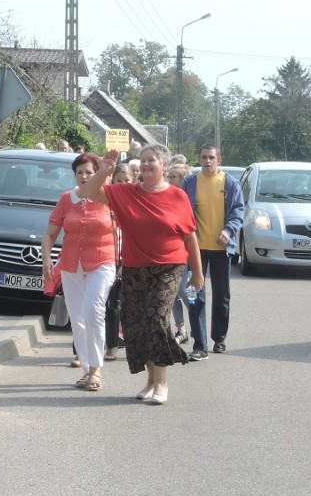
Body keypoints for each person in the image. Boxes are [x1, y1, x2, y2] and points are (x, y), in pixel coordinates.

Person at [79, 145, 203, 405]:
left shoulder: (178, 197)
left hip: (169, 267)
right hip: (135, 268)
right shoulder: (126, 193)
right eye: (143, 161)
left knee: (156, 320)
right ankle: (149, 380)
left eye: (152, 161)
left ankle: (162, 383)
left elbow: (190, 236)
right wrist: (103, 171)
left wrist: (197, 273)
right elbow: (87, 193)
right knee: (137, 326)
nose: (146, 165)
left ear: (164, 166)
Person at [42, 154, 116, 391]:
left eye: (89, 172)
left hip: (103, 262)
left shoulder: (109, 198)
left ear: (98, 174)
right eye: (79, 173)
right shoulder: (67, 199)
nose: (84, 177)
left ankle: (96, 369)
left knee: (92, 310)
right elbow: (50, 234)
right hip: (71, 265)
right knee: (77, 318)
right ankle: (87, 369)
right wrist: (46, 260)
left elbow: (126, 230)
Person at [181, 145, 244, 359]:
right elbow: (179, 211)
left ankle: (219, 338)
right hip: (195, 249)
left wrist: (228, 231)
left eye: (212, 158)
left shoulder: (230, 183)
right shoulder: (189, 183)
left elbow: (238, 212)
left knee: (221, 296)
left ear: (219, 159)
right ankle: (200, 345)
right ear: (198, 159)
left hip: (221, 249)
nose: (208, 161)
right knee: (194, 295)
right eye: (204, 158)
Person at [167, 163, 193, 344]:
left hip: (185, 252)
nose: (169, 180)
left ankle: (198, 325)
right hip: (170, 252)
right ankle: (181, 329)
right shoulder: (166, 196)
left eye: (173, 177)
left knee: (186, 292)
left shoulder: (186, 199)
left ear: (182, 180)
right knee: (173, 293)